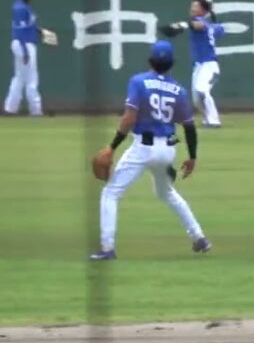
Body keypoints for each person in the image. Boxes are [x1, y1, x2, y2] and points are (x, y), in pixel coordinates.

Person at [89, 40, 211, 261]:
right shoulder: (179, 90)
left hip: (143, 149)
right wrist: (192, 156)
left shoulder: (138, 82)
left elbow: (129, 118)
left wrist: (112, 146)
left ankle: (107, 248)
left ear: (150, 61)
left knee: (110, 193)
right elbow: (189, 127)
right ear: (172, 64)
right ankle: (199, 237)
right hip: (167, 150)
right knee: (166, 193)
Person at [160, 0, 224, 127]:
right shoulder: (212, 26)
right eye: (192, 6)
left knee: (202, 90)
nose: (192, 9)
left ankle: (214, 120)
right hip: (199, 66)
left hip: (209, 65)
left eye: (196, 6)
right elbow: (217, 29)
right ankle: (208, 119)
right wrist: (211, 16)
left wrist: (184, 25)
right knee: (197, 99)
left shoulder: (200, 21)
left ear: (202, 10)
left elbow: (199, 25)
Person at [4, 0, 57, 116]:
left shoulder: (25, 7)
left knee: (19, 77)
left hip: (24, 44)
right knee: (31, 78)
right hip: (24, 44)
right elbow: (19, 31)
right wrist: (25, 51)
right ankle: (36, 110)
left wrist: (41, 32)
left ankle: (10, 108)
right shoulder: (19, 8)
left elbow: (29, 26)